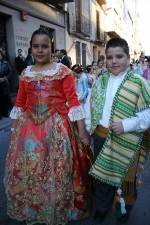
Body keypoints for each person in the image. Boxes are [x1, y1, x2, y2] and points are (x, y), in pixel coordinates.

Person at [4, 29, 93, 225]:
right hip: (29, 129)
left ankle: (59, 204)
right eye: (36, 46)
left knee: (58, 168)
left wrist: (82, 130)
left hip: (57, 128)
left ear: (51, 48)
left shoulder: (62, 71)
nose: (40, 50)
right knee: (34, 168)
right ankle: (37, 205)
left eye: (45, 46)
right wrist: (14, 129)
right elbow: (20, 103)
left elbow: (73, 100)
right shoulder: (26, 73)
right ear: (31, 48)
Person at [84, 37, 150, 223]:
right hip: (100, 137)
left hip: (128, 139)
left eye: (119, 56)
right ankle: (103, 206)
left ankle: (123, 208)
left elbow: (148, 112)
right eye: (110, 57)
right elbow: (90, 106)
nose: (114, 61)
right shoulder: (98, 82)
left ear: (128, 58)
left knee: (125, 178)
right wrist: (87, 130)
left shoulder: (139, 83)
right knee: (103, 177)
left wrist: (126, 125)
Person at [0, 51, 12, 119]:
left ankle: (5, 113)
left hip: (3, 84)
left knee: (4, 99)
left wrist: (5, 78)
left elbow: (10, 72)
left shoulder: (6, 63)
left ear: (1, 56)